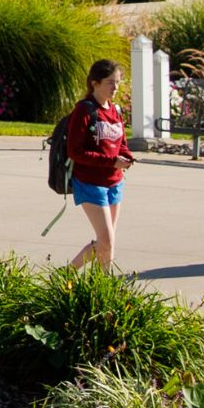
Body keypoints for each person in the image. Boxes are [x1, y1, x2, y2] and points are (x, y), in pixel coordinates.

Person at [50, 58, 130, 271]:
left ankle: (96, 283)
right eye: (110, 82)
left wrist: (127, 157)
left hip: (114, 182)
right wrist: (112, 162)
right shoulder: (84, 110)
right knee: (107, 240)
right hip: (90, 182)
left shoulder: (115, 111)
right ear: (95, 83)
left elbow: (121, 143)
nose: (115, 88)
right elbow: (75, 152)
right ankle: (87, 279)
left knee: (106, 241)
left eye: (118, 82)